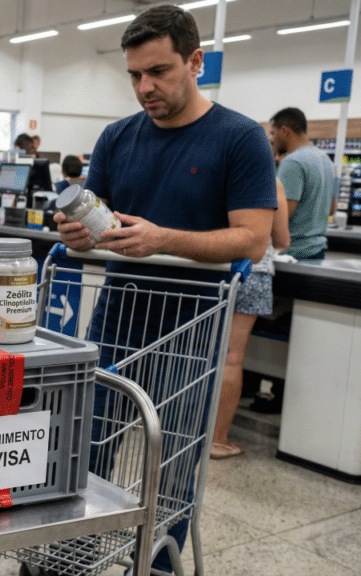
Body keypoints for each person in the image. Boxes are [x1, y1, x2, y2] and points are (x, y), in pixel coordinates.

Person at [53, 5, 276, 574]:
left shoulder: (240, 139)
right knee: (87, 444)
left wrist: (163, 240)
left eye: (158, 71)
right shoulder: (116, 137)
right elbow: (98, 228)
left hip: (193, 330)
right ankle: (70, 549)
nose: (144, 87)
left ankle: (159, 559)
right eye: (134, 75)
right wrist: (77, 233)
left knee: (174, 462)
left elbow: (252, 240)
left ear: (196, 61)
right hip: (118, 319)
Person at [211, 178, 290, 459]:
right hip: (252, 271)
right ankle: (217, 440)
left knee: (194, 349)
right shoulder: (271, 181)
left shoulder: (212, 169)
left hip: (207, 266)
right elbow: (281, 239)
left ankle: (180, 428)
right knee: (231, 357)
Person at [268, 107, 338, 260]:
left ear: (285, 131)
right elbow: (332, 209)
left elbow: (282, 216)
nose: (271, 139)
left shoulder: (292, 162)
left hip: (292, 254)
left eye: (273, 133)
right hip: (317, 250)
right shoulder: (326, 160)